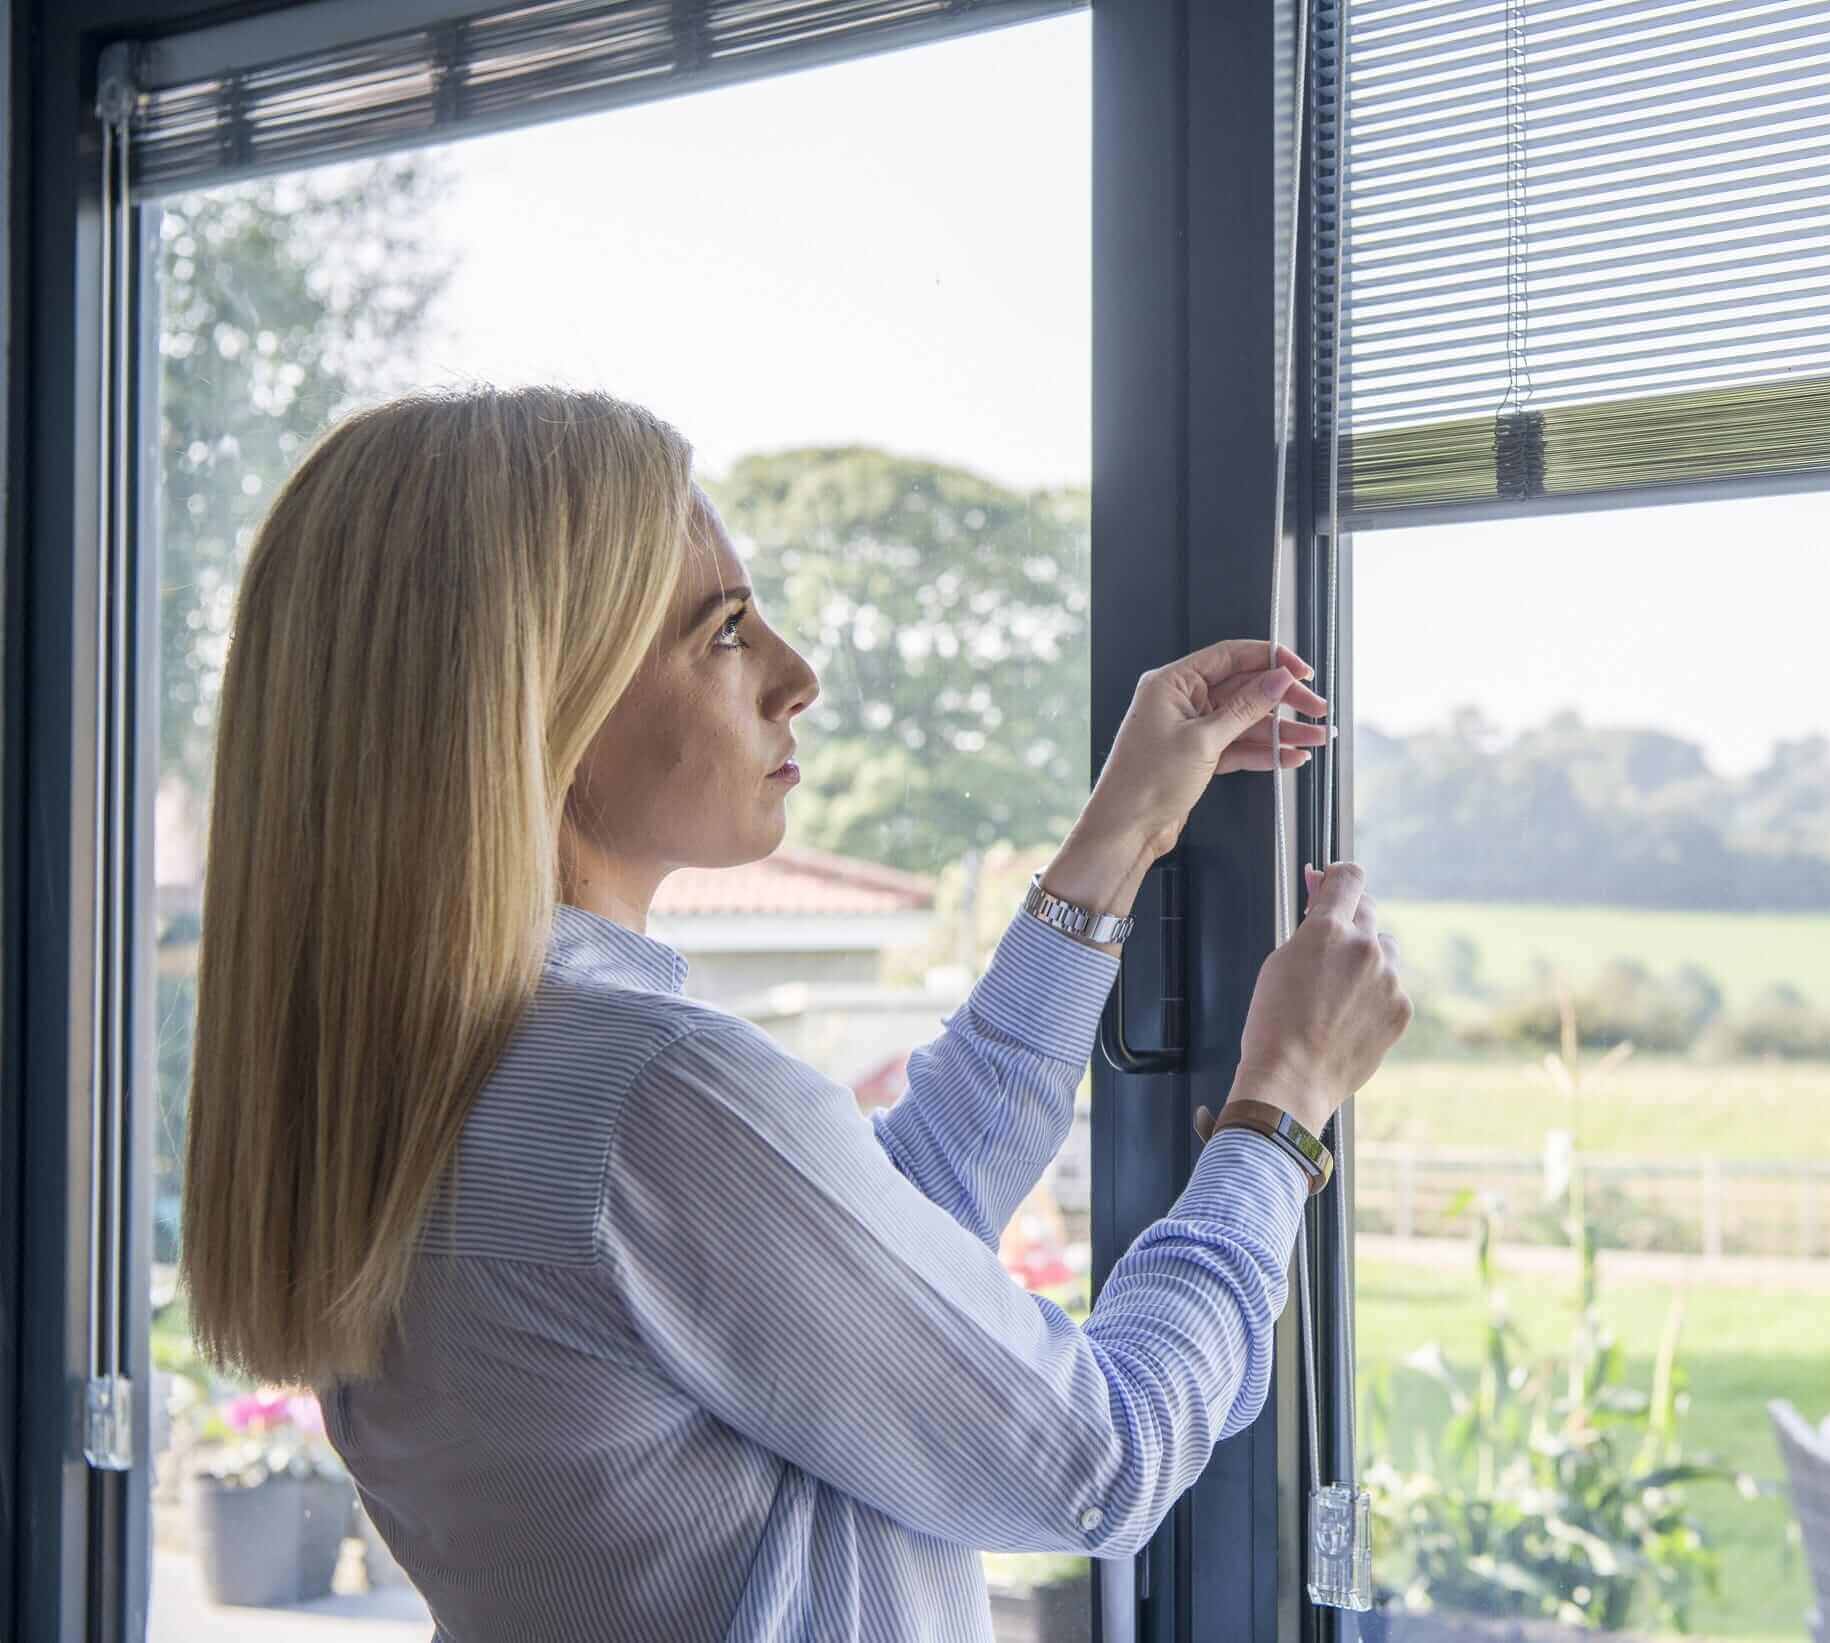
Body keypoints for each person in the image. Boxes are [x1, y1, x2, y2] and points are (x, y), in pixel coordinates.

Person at [177, 385, 1413, 1642]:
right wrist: (1280, 1108)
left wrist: (1123, 837)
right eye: (724, 631)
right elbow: (1103, 1456)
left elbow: (875, 1248)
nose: (797, 677)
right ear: (542, 700)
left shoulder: (415, 1077)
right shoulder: (643, 1093)